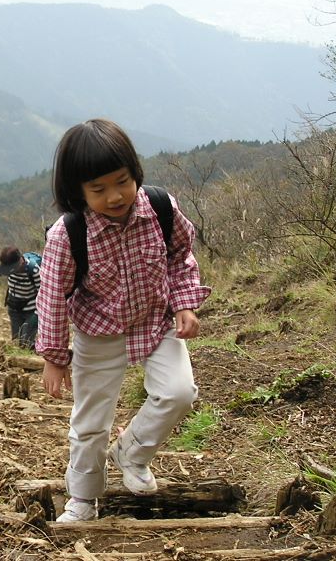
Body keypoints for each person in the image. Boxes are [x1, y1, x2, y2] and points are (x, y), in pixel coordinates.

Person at [36, 118, 211, 522]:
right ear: (76, 192)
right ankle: (82, 498)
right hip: (99, 331)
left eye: (122, 181)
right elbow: (52, 297)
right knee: (91, 420)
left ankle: (132, 451)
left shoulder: (161, 208)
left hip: (155, 319)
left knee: (180, 392)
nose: (115, 196)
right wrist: (54, 355)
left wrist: (185, 303)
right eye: (98, 189)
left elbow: (181, 257)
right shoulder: (68, 235)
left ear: (135, 173)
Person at [0, 246, 40, 349]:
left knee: (25, 341)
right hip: (14, 307)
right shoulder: (6, 266)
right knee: (16, 340)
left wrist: (38, 314)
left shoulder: (33, 269)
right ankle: (19, 357)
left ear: (20, 261)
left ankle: (31, 354)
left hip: (31, 311)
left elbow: (43, 293)